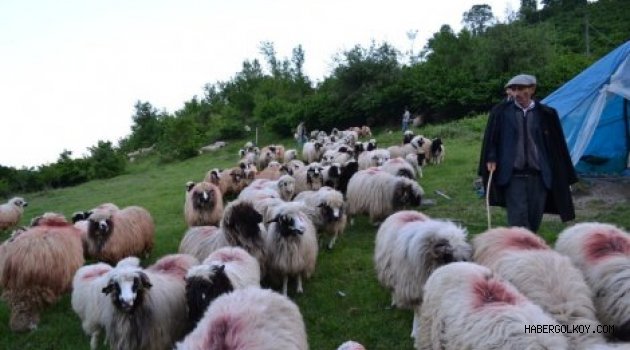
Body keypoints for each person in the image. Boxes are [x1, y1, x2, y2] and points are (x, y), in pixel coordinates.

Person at [478, 74, 577, 232]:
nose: (517, 93)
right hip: (513, 175)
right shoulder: (501, 113)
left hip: (539, 175)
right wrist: (491, 157)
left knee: (534, 219)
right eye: (514, 89)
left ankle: (527, 250)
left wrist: (563, 173)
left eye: (521, 89)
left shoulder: (547, 114)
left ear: (532, 89)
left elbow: (558, 146)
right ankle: (520, 249)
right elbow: (492, 138)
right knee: (518, 221)